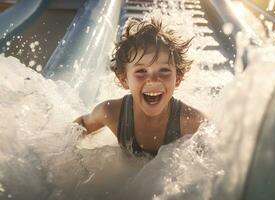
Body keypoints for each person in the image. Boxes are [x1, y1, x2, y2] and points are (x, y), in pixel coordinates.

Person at [74, 18, 206, 156]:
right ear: (124, 80)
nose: (153, 80)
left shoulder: (191, 123)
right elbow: (82, 123)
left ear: (177, 78)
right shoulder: (112, 113)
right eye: (141, 71)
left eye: (164, 70)